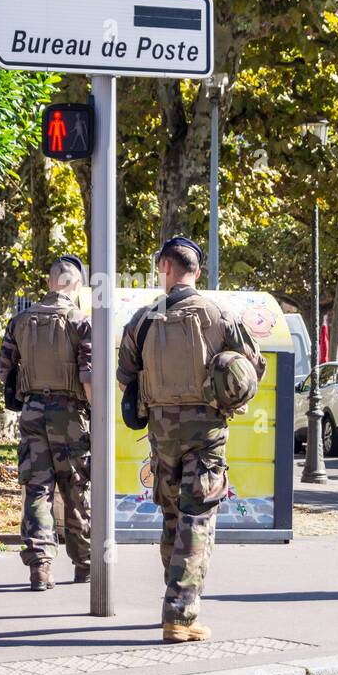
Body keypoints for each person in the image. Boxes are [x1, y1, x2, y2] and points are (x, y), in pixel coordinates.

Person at [117, 236, 265, 641]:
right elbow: (254, 365)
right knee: (197, 515)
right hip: (207, 429)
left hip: (161, 431)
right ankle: (180, 614)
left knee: (170, 514)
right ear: (196, 271)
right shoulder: (220, 313)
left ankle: (173, 597)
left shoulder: (143, 319)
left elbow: (124, 377)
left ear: (163, 268)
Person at [0, 255, 93, 590]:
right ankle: (84, 564)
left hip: (33, 411)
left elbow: (4, 370)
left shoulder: (20, 321)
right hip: (69, 415)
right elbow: (89, 377)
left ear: (51, 282)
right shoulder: (80, 322)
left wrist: (22, 401)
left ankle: (40, 566)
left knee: (37, 489)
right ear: (76, 285)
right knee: (76, 487)